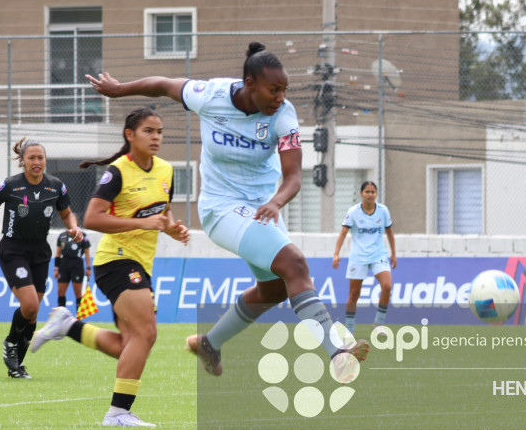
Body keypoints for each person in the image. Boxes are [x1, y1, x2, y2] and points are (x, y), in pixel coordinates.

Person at [84, 42, 369, 378]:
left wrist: (277, 201)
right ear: (249, 84)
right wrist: (119, 90)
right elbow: (163, 84)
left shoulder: (283, 115)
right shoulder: (211, 95)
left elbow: (293, 176)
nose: (280, 97)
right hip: (220, 210)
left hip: (261, 211)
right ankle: (337, 351)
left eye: (284, 90)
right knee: (294, 263)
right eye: (273, 90)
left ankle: (209, 343)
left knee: (275, 288)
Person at [31, 108, 189, 427]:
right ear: (129, 135)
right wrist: (142, 222)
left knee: (129, 346)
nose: (156, 137)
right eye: (148, 131)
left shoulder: (165, 170)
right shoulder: (117, 172)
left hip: (140, 264)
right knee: (146, 333)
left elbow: (162, 212)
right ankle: (118, 414)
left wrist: (171, 228)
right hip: (116, 260)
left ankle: (68, 326)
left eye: (159, 131)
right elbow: (92, 218)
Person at [0, 138, 83, 379]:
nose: (36, 162)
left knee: (33, 315)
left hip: (40, 252)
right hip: (13, 250)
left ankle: (16, 367)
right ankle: (11, 343)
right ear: (22, 161)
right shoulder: (10, 185)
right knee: (31, 306)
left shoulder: (55, 186)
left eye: (40, 158)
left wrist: (73, 227)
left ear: (45, 160)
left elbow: (66, 213)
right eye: (31, 158)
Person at [332, 181, 396, 334]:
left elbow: (390, 232)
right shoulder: (353, 212)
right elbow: (343, 233)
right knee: (354, 294)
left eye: (373, 192)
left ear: (376, 194)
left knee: (387, 286)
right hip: (358, 256)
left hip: (378, 254)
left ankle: (378, 324)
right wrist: (336, 253)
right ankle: (350, 329)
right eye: (367, 192)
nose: (370, 195)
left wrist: (393, 253)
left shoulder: (383, 211)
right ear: (361, 194)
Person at [54, 228, 91, 310]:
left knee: (78, 293)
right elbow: (58, 253)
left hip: (77, 264)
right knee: (60, 292)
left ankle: (79, 319)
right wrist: (56, 269)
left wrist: (88, 268)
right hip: (64, 264)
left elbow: (87, 252)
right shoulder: (62, 235)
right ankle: (61, 317)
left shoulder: (82, 235)